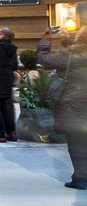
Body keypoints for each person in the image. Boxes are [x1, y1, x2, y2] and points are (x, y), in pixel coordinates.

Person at [37, 25, 87, 189]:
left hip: (75, 104)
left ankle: (80, 179)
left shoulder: (70, 54)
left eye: (78, 33)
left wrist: (45, 41)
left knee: (77, 142)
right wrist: (67, 40)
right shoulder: (74, 53)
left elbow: (44, 60)